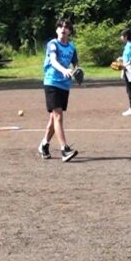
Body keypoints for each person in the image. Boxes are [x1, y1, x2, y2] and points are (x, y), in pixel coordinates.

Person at [38, 18, 79, 162]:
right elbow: (53, 61)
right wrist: (64, 70)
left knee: (53, 118)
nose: (63, 28)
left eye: (67, 27)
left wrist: (76, 70)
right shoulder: (53, 44)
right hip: (52, 82)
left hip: (64, 85)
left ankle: (44, 145)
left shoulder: (72, 47)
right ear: (56, 30)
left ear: (70, 31)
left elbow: (75, 63)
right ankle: (64, 149)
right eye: (60, 26)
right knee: (58, 116)